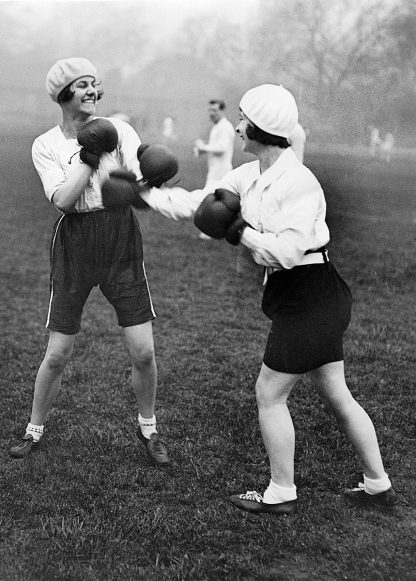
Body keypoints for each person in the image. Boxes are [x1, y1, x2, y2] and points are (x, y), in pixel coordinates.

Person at [120, 84, 397, 513]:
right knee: (337, 395)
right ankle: (378, 484)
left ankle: (281, 492)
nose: (237, 126)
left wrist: (238, 231)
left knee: (269, 393)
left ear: (262, 129)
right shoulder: (249, 175)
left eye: (244, 120)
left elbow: (285, 253)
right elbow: (201, 204)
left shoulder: (301, 184)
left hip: (311, 295)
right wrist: (146, 196)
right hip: (303, 295)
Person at [9, 57, 170, 467]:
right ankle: (34, 429)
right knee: (59, 351)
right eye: (82, 85)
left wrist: (155, 176)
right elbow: (62, 200)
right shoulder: (46, 145)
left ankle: (148, 428)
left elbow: (138, 186)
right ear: (63, 94)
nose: (92, 91)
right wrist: (89, 154)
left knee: (144, 351)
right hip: (76, 242)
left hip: (120, 238)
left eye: (96, 85)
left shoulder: (121, 131)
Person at [194, 99, 236, 239]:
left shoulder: (225, 127)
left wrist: (204, 148)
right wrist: (202, 149)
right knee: (217, 202)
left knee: (209, 200)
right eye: (210, 110)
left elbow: (222, 148)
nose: (211, 113)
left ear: (222, 111)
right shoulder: (217, 126)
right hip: (215, 170)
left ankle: (210, 231)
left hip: (221, 171)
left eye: (215, 110)